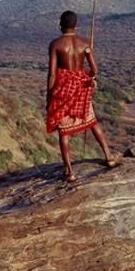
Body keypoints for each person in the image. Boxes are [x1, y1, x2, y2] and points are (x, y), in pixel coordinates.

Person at [46, 10, 116, 181]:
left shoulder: (55, 44)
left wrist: (49, 94)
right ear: (76, 26)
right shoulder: (84, 43)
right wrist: (86, 75)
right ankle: (108, 157)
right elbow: (94, 70)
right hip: (80, 87)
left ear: (60, 25)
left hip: (63, 89)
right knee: (92, 121)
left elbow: (52, 73)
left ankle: (69, 171)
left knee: (64, 131)